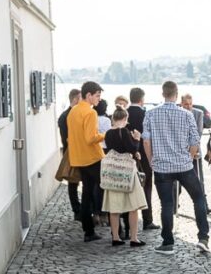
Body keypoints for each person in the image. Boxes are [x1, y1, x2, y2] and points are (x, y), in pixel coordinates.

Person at [143, 81, 210, 254]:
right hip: (184, 165)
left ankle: (167, 242)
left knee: (166, 203)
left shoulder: (150, 114)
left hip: (162, 167)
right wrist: (189, 156)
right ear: (176, 93)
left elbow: (146, 140)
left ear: (163, 93)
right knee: (199, 198)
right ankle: (203, 237)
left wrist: (152, 161)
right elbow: (195, 141)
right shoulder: (186, 114)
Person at [101, 106, 147, 247]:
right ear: (125, 119)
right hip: (127, 172)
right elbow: (131, 149)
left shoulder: (108, 133)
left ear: (113, 119)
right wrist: (137, 140)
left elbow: (109, 149)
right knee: (133, 207)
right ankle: (134, 238)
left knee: (114, 208)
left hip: (113, 174)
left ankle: (115, 237)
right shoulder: (125, 132)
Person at [66, 82, 106, 242]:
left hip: (79, 158)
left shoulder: (73, 111)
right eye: (97, 96)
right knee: (108, 188)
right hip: (92, 158)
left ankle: (88, 231)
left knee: (87, 192)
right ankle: (120, 228)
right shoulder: (90, 113)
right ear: (88, 95)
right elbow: (91, 138)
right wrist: (106, 134)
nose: (98, 99)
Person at [127, 87, 159, 230]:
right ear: (141, 99)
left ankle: (127, 222)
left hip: (127, 155)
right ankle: (147, 219)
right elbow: (150, 137)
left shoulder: (124, 113)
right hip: (144, 155)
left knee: (127, 187)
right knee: (146, 186)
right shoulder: (146, 115)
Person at [57, 88, 82, 219]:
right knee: (73, 182)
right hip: (71, 152)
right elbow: (65, 138)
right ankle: (77, 210)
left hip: (79, 151)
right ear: (75, 99)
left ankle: (82, 208)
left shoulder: (77, 113)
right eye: (81, 98)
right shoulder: (64, 116)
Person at [181, 94, 205, 183]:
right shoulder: (178, 113)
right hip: (180, 150)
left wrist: (192, 148)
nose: (189, 106)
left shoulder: (198, 113)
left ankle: (202, 194)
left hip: (195, 150)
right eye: (186, 104)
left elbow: (199, 132)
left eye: (190, 104)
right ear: (182, 104)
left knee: (198, 178)